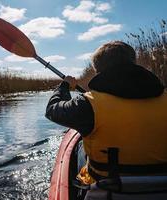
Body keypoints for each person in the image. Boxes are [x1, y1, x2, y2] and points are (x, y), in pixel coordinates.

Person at [45, 41, 167, 185]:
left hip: (108, 187)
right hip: (162, 183)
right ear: (133, 62)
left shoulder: (87, 104)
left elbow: (52, 110)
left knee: (79, 147)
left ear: (98, 70)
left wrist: (64, 86)